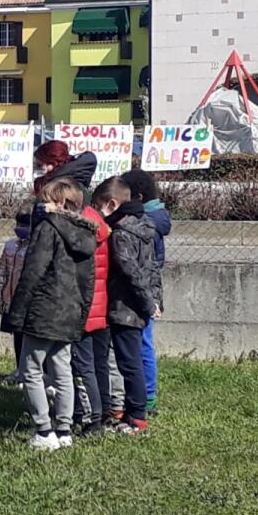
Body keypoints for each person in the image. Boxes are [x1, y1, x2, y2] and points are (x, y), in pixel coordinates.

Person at [5, 178, 97, 451]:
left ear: (58, 203)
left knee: (31, 369)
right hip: (71, 309)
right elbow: (87, 279)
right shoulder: (86, 233)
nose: (40, 204)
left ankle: (44, 430)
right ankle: (65, 429)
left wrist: (18, 310)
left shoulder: (47, 227)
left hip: (44, 309)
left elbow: (34, 270)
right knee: (62, 370)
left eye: (45, 199)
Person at [96, 176, 160, 435]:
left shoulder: (121, 233)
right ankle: (133, 412)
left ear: (112, 203)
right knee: (132, 360)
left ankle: (136, 417)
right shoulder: (144, 226)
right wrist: (156, 300)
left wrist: (147, 303)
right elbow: (153, 268)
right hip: (140, 304)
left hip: (125, 307)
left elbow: (131, 271)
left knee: (129, 362)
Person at [120, 169, 171, 415]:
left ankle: (147, 396)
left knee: (142, 344)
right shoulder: (156, 219)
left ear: (137, 196)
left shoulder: (144, 223)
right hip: (150, 289)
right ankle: (147, 395)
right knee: (144, 343)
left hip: (142, 292)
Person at [72, 194, 112, 436]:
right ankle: (103, 409)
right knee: (99, 363)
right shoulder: (100, 226)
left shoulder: (81, 232)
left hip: (84, 309)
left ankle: (90, 417)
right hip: (100, 306)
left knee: (82, 366)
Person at [0, 202, 34, 381]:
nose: (20, 228)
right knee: (17, 338)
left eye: (25, 225)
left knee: (30, 340)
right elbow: (2, 272)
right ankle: (19, 370)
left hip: (28, 303)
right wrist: (0, 296)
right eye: (18, 224)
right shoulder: (11, 245)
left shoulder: (36, 247)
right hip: (11, 300)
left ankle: (31, 373)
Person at [31, 140, 97, 197]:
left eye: (39, 165)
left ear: (53, 163)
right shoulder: (72, 178)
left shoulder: (64, 187)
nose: (39, 169)